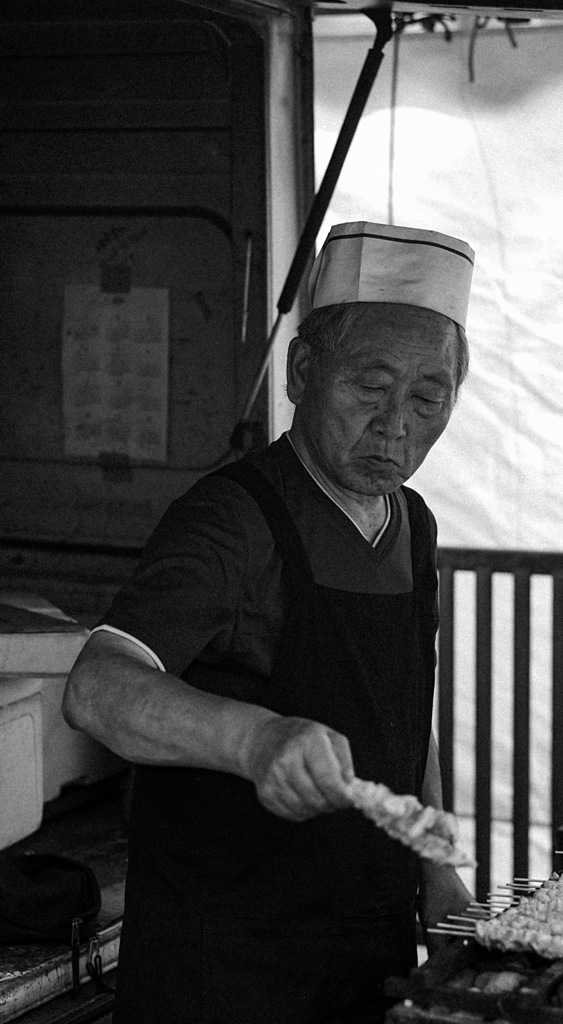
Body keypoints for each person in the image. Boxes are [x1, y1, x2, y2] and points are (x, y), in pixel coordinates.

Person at [63, 221, 476, 1024]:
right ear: (301, 370)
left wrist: (434, 858)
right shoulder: (233, 518)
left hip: (365, 949)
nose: (396, 426)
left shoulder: (413, 524)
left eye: (428, 398)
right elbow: (98, 685)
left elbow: (401, 707)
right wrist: (256, 740)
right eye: (369, 387)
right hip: (226, 965)